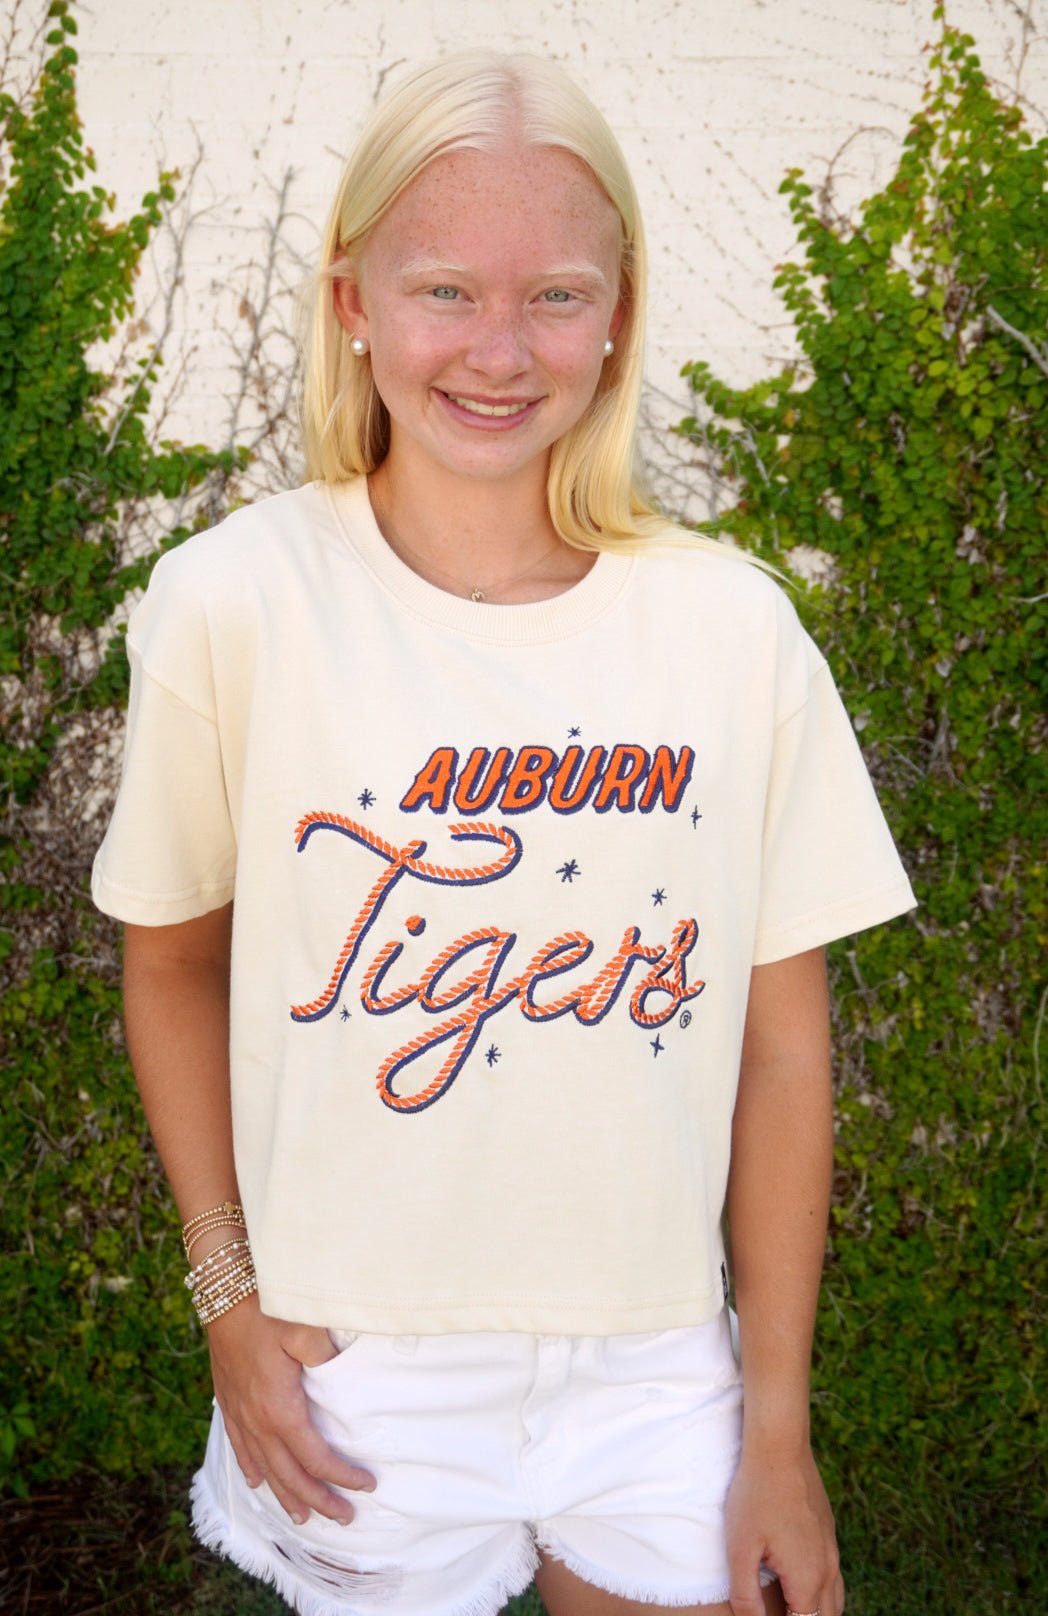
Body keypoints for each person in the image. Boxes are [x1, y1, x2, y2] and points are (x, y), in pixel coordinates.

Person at [91, 50, 916, 1616]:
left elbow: (784, 1048)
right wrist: (227, 1302)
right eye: (444, 290)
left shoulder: (732, 631)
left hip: (660, 1363)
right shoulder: (234, 603)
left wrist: (779, 1421)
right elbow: (171, 966)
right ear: (352, 301)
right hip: (356, 1372)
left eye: (554, 295)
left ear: (619, 312)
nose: (497, 349)